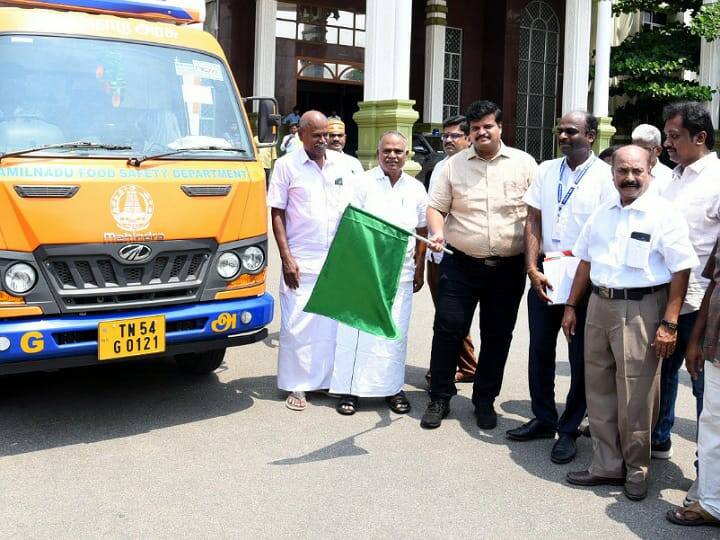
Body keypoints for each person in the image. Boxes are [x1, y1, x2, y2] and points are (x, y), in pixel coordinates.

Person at [562, 145, 698, 501]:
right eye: (622, 171)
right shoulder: (602, 212)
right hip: (599, 304)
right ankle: (606, 464)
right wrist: (572, 305)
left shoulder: (663, 214)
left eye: (637, 171)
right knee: (600, 388)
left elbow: (681, 270)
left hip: (641, 308)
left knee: (636, 395)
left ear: (651, 170)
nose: (630, 178)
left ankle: (637, 470)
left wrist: (670, 322)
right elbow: (585, 262)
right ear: (612, 174)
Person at [421, 100, 538, 430]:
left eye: (488, 126)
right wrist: (437, 233)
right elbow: (436, 208)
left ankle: (485, 400)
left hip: (508, 267)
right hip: (460, 264)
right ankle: (440, 397)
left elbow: (537, 215)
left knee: (498, 334)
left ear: (500, 127)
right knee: (448, 328)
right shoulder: (452, 166)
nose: (482, 132)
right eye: (475, 128)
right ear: (469, 133)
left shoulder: (525, 164)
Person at [505, 111, 614, 464]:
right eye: (560, 130)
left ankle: (569, 429)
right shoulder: (546, 170)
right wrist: (532, 269)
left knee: (581, 356)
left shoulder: (605, 178)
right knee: (539, 349)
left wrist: (577, 294)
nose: (564, 136)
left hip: (584, 277)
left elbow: (602, 237)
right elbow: (533, 220)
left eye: (572, 131)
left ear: (591, 136)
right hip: (547, 272)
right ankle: (543, 417)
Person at [330, 132, 428, 415]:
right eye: (387, 150)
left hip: (402, 271)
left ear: (407, 154)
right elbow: (348, 222)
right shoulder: (362, 182)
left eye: (398, 151)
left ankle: (392, 389)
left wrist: (420, 266)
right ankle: (350, 390)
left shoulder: (415, 189)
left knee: (395, 331)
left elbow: (422, 230)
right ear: (378, 152)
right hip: (366, 270)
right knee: (357, 331)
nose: (393, 156)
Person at [267, 110, 357, 411]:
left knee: (330, 323)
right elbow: (277, 212)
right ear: (301, 134)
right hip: (301, 257)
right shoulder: (286, 165)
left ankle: (326, 380)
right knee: (297, 323)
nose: (323, 140)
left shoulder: (342, 165)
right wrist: (286, 257)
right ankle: (297, 385)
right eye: (316, 135)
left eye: (327, 135)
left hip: (337, 258)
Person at [651, 102, 720, 460]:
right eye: (666, 136)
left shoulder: (716, 180)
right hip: (666, 296)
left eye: (675, 136)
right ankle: (659, 437)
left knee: (702, 385)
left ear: (701, 137)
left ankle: (705, 467)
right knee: (663, 372)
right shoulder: (672, 176)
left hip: (701, 303)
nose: (667, 144)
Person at [666, 239, 720, 528]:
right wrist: (695, 340)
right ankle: (711, 502)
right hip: (716, 349)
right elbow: (713, 283)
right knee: (712, 424)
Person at [425, 115, 477, 384]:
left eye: (454, 135)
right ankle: (466, 365)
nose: (447, 140)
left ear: (468, 138)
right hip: (436, 250)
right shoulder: (440, 166)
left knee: (453, 314)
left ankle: (459, 367)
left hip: (459, 253)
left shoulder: (471, 168)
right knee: (444, 313)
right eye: (445, 136)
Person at [631, 123, 673, 194]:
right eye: (635, 148)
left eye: (644, 149)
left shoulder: (669, 177)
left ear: (658, 151)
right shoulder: (623, 173)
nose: (638, 153)